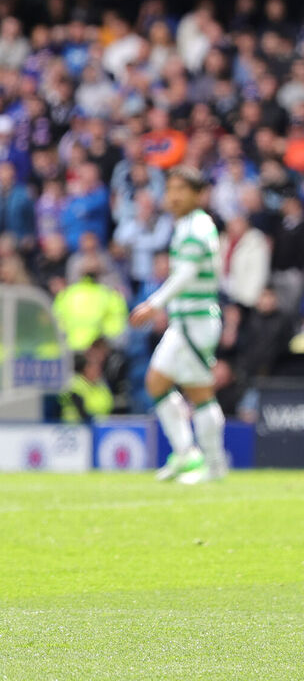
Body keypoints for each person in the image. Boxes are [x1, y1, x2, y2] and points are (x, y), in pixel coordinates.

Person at [129, 166, 225, 484]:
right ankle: (187, 453)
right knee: (156, 383)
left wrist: (153, 305)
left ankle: (213, 465)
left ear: (199, 194)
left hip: (197, 323)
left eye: (182, 188)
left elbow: (185, 275)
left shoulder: (198, 226)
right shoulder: (185, 225)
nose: (174, 195)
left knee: (200, 394)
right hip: (184, 322)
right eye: (171, 188)